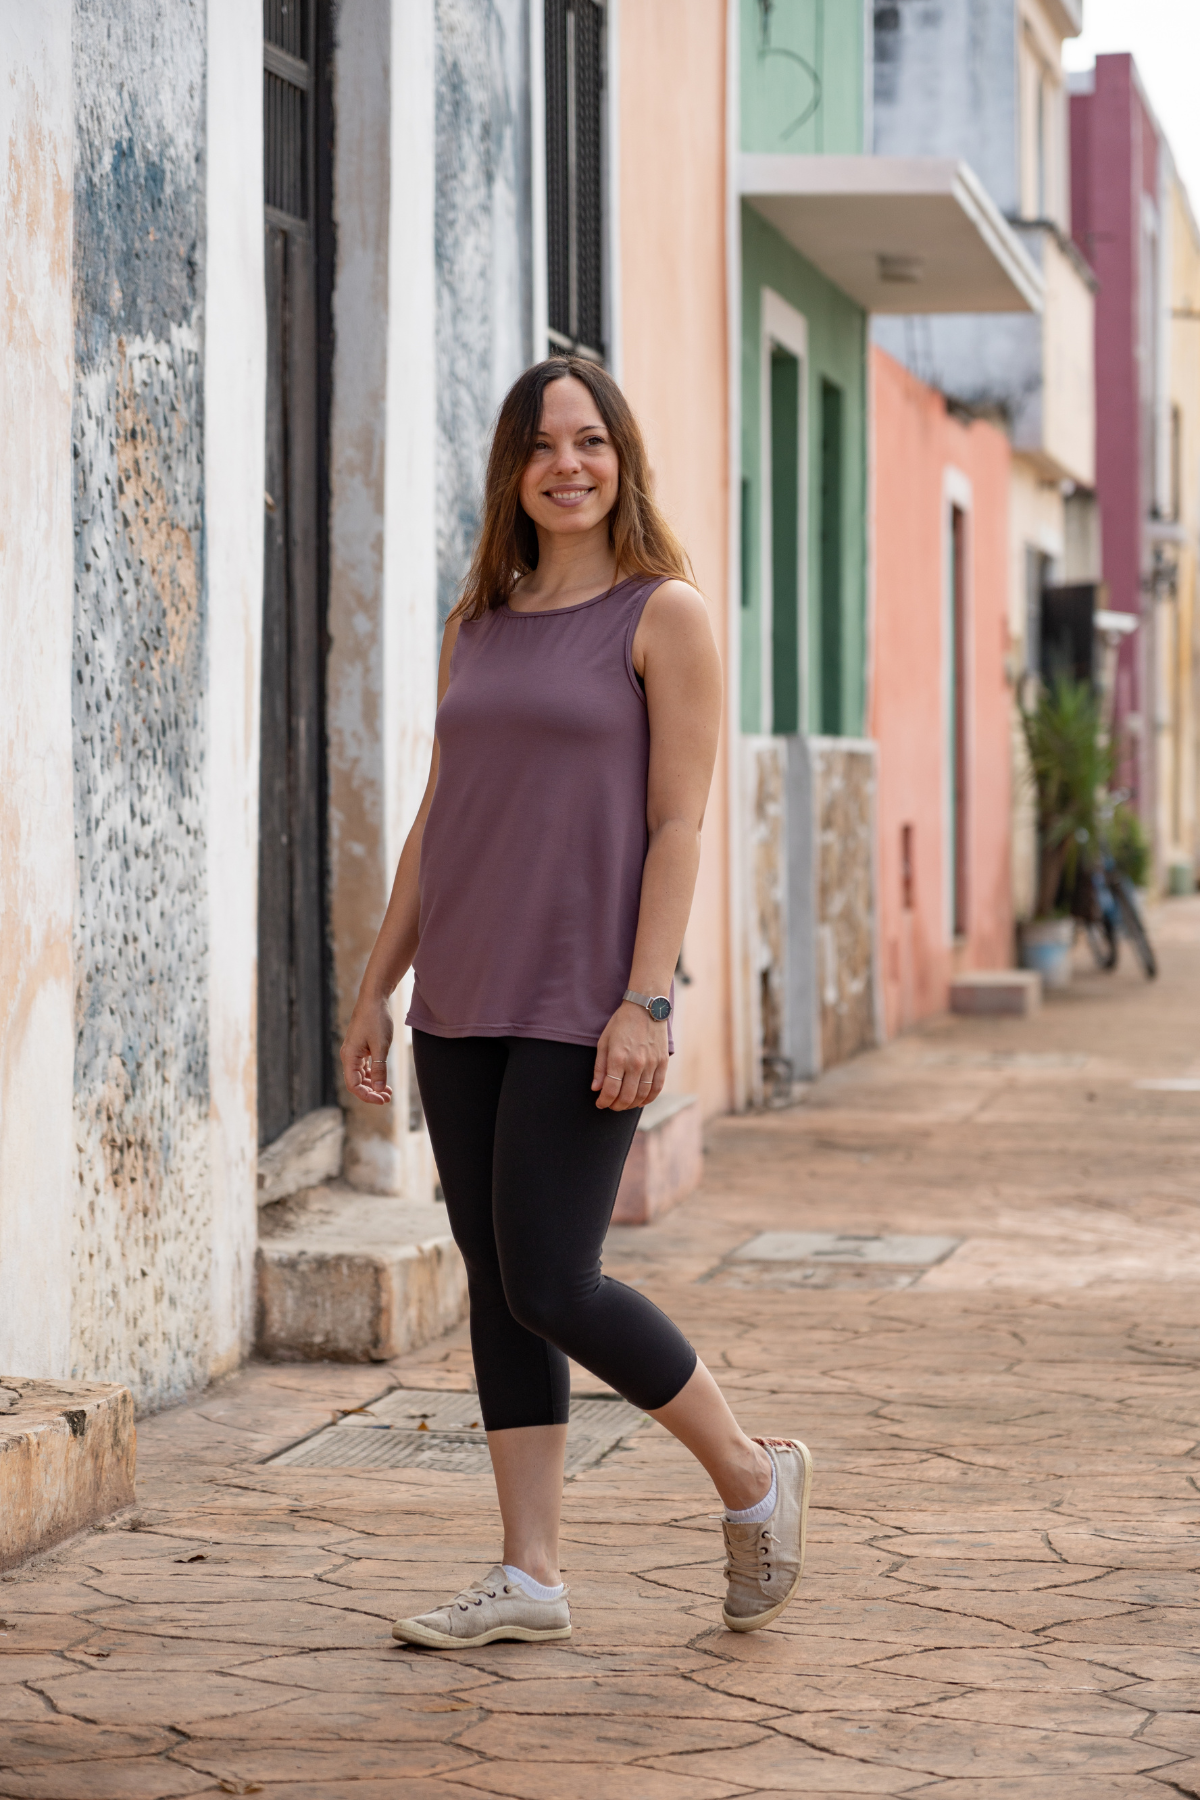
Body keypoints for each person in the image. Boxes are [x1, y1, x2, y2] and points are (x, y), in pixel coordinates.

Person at [340, 356, 812, 1649]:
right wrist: (378, 983)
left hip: (585, 1000)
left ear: (622, 458)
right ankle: (530, 1575)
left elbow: (678, 825)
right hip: (462, 1001)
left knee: (554, 1278)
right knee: (499, 1283)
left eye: (591, 441)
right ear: (514, 469)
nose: (568, 465)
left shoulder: (666, 616)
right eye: (545, 444)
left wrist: (645, 1002)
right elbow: (440, 818)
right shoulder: (476, 625)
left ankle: (751, 1475)